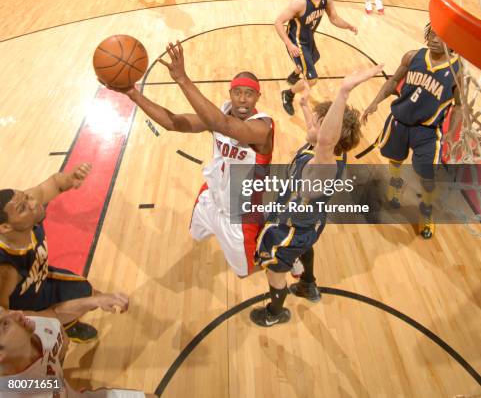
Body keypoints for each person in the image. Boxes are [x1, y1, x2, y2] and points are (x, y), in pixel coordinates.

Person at [109, 42, 274, 278]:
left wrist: (182, 79)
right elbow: (173, 123)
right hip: (211, 197)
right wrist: (133, 94)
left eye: (249, 94)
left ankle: (284, 258)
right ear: (230, 95)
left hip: (239, 215)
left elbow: (223, 125)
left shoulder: (262, 128)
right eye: (237, 93)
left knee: (243, 273)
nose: (242, 100)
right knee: (196, 235)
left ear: (258, 97)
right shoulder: (219, 115)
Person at [249, 64, 383, 326]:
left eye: (319, 124)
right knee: (306, 246)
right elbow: (318, 133)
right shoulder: (325, 148)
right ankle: (308, 284)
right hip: (310, 221)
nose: (311, 125)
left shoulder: (324, 164)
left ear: (328, 138)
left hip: (291, 228)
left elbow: (324, 140)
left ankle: (275, 313)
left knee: (275, 270)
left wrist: (344, 91)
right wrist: (304, 103)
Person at [362, 24, 462, 238]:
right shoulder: (412, 56)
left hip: (427, 131)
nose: (435, 39)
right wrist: (375, 102)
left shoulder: (457, 72)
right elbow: (394, 81)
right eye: (432, 34)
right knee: (394, 160)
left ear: (453, 44)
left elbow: (459, 107)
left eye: (442, 37)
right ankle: (395, 187)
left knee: (427, 176)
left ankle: (426, 213)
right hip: (399, 121)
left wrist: (451, 137)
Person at [0, 164, 104, 343]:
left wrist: (70, 179)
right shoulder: (6, 270)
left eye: (26, 197)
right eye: (23, 208)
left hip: (41, 280)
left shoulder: (25, 204)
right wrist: (48, 320)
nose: (33, 203)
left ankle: (67, 325)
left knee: (90, 294)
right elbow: (5, 318)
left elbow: (54, 183)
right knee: (54, 340)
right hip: (24, 311)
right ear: (5, 227)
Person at [0, 297, 155, 397]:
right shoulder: (14, 390)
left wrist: (95, 301)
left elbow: (55, 313)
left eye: (4, 311)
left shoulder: (30, 324)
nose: (18, 313)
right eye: (5, 325)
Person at [274, 0, 358, 116]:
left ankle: (294, 75)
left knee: (314, 58)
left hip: (308, 38)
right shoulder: (300, 1)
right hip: (297, 42)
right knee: (312, 79)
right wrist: (289, 44)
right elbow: (278, 22)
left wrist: (348, 26)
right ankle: (288, 94)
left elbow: (334, 18)